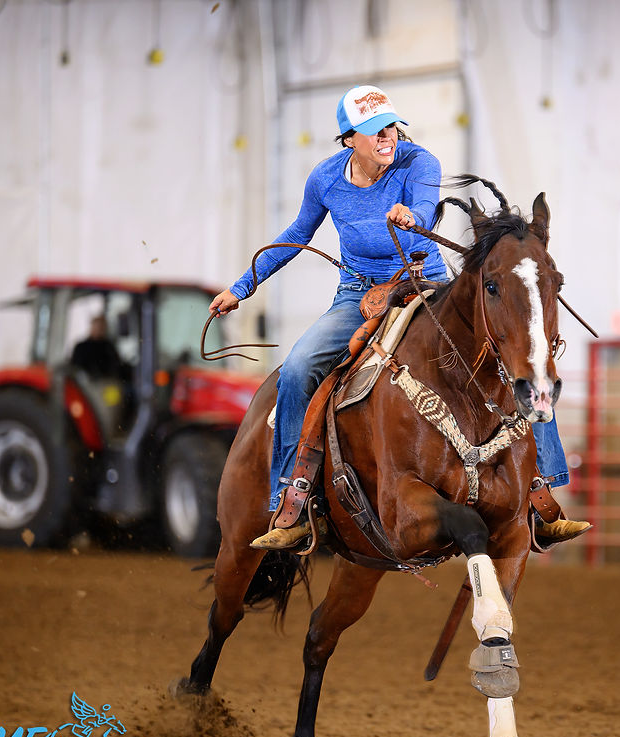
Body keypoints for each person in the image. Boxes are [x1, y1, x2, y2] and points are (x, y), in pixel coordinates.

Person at [210, 85, 587, 550]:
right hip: (358, 296)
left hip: (423, 284)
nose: (386, 136)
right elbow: (296, 234)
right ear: (349, 139)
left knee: (517, 352)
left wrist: (414, 215)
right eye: (373, 131)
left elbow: (425, 205)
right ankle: (291, 497)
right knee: (299, 367)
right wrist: (240, 288)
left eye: (390, 126)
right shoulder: (325, 180)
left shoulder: (419, 163)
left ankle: (541, 493)